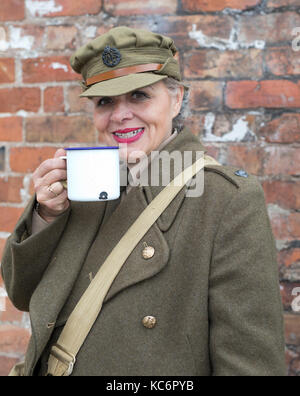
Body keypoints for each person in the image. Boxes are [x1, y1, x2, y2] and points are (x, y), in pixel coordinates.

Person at [1, 27, 286, 376]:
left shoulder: (226, 200)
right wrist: (46, 214)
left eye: (139, 96)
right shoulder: (85, 185)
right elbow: (23, 294)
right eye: (105, 101)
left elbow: (250, 365)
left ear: (177, 98)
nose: (120, 115)